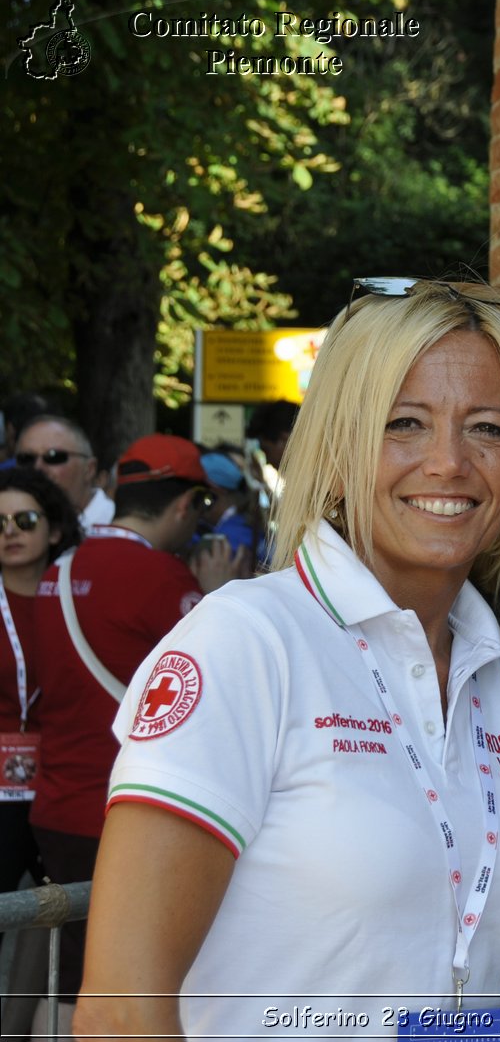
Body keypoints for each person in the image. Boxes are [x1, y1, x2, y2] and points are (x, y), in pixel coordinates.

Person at [76, 279, 500, 1039]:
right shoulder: (244, 642)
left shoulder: (494, 668)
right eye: (404, 423)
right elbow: (120, 1007)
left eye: (488, 429)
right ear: (333, 451)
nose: (449, 462)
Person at [25, 433, 244, 1029]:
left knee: (71, 966)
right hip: (125, 810)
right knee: (137, 973)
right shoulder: (162, 580)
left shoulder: (59, 567)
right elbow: (222, 682)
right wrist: (222, 598)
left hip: (55, 802)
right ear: (183, 506)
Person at [0, 467, 82, 923]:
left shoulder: (79, 599)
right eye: (0, 523)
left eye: (25, 521)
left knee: (62, 917)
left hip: (59, 780)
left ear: (52, 529)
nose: (10, 532)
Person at [14, 414, 113, 529]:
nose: (38, 467)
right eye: (26, 459)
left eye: (54, 457)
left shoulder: (118, 528)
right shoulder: (10, 529)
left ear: (89, 469)